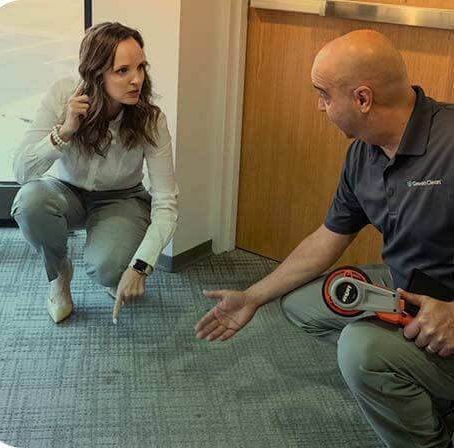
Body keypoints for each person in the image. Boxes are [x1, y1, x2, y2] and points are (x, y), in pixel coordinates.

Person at [195, 30, 454, 448]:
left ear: (362, 99)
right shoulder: (362, 154)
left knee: (359, 350)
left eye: (323, 94)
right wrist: (253, 296)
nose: (319, 106)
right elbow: (328, 237)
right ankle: (416, 371)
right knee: (304, 304)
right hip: (410, 291)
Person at [11, 22, 179, 325]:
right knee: (30, 201)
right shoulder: (63, 94)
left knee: (109, 268)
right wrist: (64, 132)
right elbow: (22, 171)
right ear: (95, 73)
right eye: (122, 70)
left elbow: (166, 202)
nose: (136, 80)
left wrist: (140, 266)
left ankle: (115, 264)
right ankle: (59, 272)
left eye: (141, 67)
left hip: (121, 199)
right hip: (65, 191)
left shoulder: (151, 120)